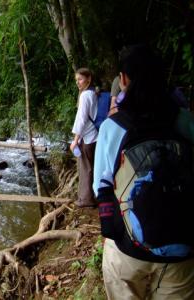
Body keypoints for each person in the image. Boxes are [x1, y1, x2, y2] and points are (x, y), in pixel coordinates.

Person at [93, 45, 194, 299]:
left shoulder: (112, 127)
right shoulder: (186, 120)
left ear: (123, 79)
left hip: (127, 248)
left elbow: (100, 187)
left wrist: (111, 228)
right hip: (183, 245)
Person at [70, 68, 98, 207]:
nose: (78, 83)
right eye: (76, 80)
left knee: (86, 168)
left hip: (87, 138)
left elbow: (81, 119)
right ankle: (92, 197)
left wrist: (75, 140)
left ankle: (85, 200)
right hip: (94, 136)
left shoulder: (85, 95)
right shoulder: (94, 93)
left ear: (89, 78)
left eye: (80, 79)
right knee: (92, 167)